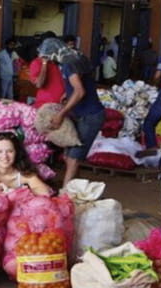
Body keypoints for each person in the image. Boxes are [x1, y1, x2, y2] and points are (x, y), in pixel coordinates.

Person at [48, 39, 106, 186]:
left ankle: (65, 195)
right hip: (83, 115)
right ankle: (76, 188)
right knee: (69, 157)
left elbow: (80, 91)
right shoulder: (78, 58)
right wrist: (67, 94)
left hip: (90, 116)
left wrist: (61, 114)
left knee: (73, 158)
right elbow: (80, 84)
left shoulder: (68, 64)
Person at [30, 36, 66, 108]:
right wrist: (44, 63)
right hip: (46, 104)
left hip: (61, 104)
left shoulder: (56, 63)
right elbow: (39, 84)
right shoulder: (37, 63)